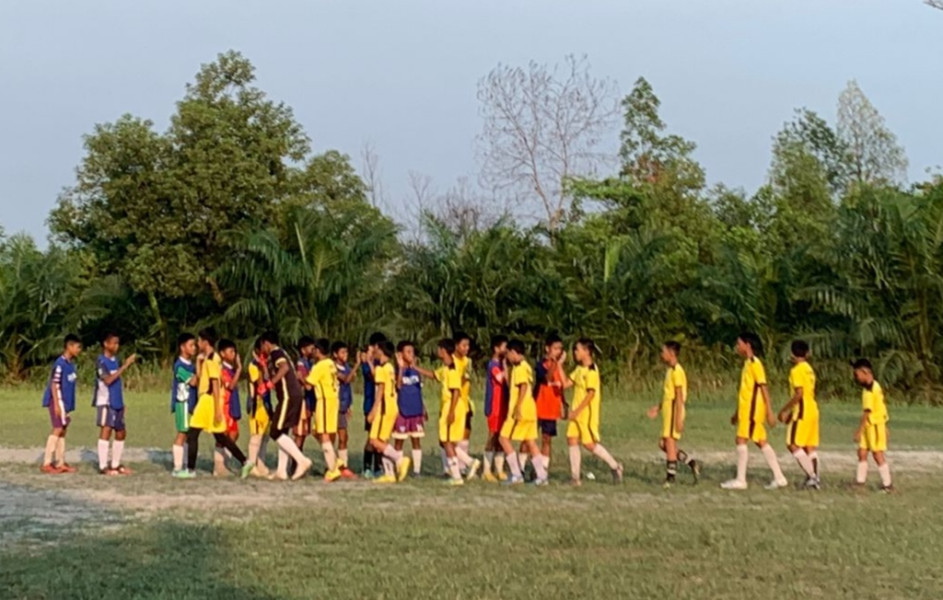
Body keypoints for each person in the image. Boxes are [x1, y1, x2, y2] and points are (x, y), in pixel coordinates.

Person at [721, 332, 787, 491]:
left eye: (739, 343)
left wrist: (769, 411)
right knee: (760, 441)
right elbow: (746, 392)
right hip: (746, 411)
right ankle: (779, 477)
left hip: (752, 411)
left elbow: (763, 388)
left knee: (741, 440)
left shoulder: (755, 364)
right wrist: (737, 413)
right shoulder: (747, 364)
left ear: (747, 345)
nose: (737, 347)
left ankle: (741, 480)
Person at [186, 328, 251, 478]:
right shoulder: (208, 358)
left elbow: (215, 384)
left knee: (192, 434)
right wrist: (198, 362)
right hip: (207, 399)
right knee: (221, 437)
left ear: (205, 342)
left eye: (199, 341)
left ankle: (190, 470)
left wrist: (217, 410)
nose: (197, 344)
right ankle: (245, 461)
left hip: (208, 400)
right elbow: (200, 378)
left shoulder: (212, 360)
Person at [562, 338, 623, 485]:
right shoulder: (579, 369)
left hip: (586, 414)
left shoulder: (592, 371)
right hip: (576, 412)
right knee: (572, 439)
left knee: (589, 444)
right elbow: (565, 384)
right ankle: (575, 477)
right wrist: (558, 364)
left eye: (577, 349)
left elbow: (590, 394)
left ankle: (615, 466)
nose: (575, 352)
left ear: (587, 351)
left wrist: (577, 411)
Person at [260, 331, 313, 480]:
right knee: (283, 432)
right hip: (292, 396)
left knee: (275, 431)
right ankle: (281, 471)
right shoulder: (279, 354)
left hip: (288, 396)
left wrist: (270, 384)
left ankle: (302, 460)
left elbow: (284, 368)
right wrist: (264, 366)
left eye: (262, 346)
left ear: (266, 343)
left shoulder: (276, 353)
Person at [647, 341, 699, 487]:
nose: (661, 354)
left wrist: (678, 418)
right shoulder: (670, 370)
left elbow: (679, 397)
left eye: (663, 351)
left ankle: (670, 478)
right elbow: (668, 395)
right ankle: (691, 463)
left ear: (671, 353)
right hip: (668, 411)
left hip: (674, 412)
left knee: (669, 443)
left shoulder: (677, 371)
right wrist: (658, 408)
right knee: (663, 444)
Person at [498, 339, 547, 486]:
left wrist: (518, 407)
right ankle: (542, 475)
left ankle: (516, 474)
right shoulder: (523, 367)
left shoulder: (520, 368)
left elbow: (523, 386)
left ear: (513, 352)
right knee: (530, 442)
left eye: (508, 354)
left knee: (503, 438)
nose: (507, 357)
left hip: (520, 411)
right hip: (530, 410)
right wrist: (505, 368)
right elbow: (512, 385)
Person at [366, 341, 411, 484]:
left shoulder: (381, 368)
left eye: (377, 349)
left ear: (381, 351)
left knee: (374, 441)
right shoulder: (389, 367)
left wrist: (374, 410)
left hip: (384, 408)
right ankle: (389, 473)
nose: (375, 351)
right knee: (382, 442)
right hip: (392, 406)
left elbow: (380, 390)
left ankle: (400, 459)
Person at [778, 340, 820, 489]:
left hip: (802, 411)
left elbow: (799, 394)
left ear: (792, 354)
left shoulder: (796, 370)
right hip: (813, 409)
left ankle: (813, 476)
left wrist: (785, 410)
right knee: (809, 447)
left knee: (793, 444)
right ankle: (813, 477)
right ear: (807, 353)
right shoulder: (809, 369)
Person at [93, 332, 137, 475]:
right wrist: (125, 366)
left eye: (118, 343)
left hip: (117, 401)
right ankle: (103, 466)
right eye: (113, 343)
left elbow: (117, 382)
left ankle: (115, 464)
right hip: (105, 401)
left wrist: (122, 402)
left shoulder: (115, 360)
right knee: (106, 430)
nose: (116, 346)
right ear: (106, 344)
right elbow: (108, 380)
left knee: (121, 432)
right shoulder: (101, 361)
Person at [40, 334, 82, 474]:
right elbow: (54, 383)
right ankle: (47, 463)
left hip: (65, 402)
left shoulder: (71, 365)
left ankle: (60, 462)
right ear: (69, 346)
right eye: (77, 347)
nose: (79, 350)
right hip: (57, 401)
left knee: (63, 430)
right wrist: (57, 404)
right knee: (57, 428)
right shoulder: (60, 364)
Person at [852, 359, 893, 492]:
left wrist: (859, 430)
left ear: (865, 372)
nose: (856, 377)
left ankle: (888, 485)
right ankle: (860, 482)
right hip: (869, 425)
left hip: (874, 425)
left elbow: (867, 412)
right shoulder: (872, 386)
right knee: (862, 452)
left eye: (857, 374)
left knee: (877, 454)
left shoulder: (871, 390)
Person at [307, 338, 343, 482]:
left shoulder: (319, 366)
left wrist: (300, 377)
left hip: (325, 400)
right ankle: (334, 459)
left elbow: (309, 384)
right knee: (316, 431)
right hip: (333, 399)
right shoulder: (331, 363)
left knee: (324, 433)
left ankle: (332, 469)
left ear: (318, 350)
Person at [393, 341, 428, 477]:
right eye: (408, 352)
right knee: (399, 441)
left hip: (416, 409)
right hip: (402, 410)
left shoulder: (416, 370)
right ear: (400, 354)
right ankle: (398, 469)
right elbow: (398, 386)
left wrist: (423, 407)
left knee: (416, 440)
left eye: (412, 352)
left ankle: (417, 470)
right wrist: (401, 368)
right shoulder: (396, 370)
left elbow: (419, 389)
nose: (411, 354)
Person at [436, 338, 468, 486]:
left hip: (452, 405)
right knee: (446, 441)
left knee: (447, 441)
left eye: (439, 349)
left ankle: (456, 476)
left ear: (443, 351)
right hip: (448, 405)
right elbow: (434, 375)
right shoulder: (445, 368)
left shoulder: (452, 369)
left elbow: (456, 391)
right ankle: (467, 464)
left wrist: (452, 411)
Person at [535, 334, 565, 477]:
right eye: (555, 348)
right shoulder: (541, 364)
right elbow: (547, 377)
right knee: (529, 438)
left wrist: (563, 403)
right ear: (548, 349)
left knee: (547, 439)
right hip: (538, 405)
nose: (558, 352)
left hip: (552, 409)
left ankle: (543, 469)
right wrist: (555, 364)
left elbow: (563, 385)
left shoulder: (559, 367)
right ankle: (522, 467)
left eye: (560, 349)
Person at [242, 338, 272, 478]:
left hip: (266, 404)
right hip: (256, 404)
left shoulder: (266, 365)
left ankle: (261, 463)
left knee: (265, 436)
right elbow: (259, 384)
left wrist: (265, 366)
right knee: (256, 435)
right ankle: (251, 464)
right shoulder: (253, 366)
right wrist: (261, 365)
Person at [170, 333, 198, 478]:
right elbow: (193, 381)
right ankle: (177, 467)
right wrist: (201, 365)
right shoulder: (179, 366)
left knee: (189, 434)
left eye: (195, 345)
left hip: (191, 403)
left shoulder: (191, 365)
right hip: (183, 404)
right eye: (191, 345)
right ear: (182, 347)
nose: (194, 348)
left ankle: (186, 464)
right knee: (182, 433)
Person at [482, 335, 509, 482]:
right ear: (496, 348)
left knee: (501, 437)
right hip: (494, 406)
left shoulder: (502, 365)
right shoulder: (493, 365)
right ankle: (486, 470)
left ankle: (499, 469)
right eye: (504, 347)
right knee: (492, 436)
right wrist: (505, 366)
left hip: (503, 405)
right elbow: (500, 378)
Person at [360, 332, 387, 478]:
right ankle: (366, 467)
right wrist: (368, 361)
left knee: (380, 437)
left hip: (383, 405)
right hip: (371, 403)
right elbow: (373, 377)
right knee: (371, 437)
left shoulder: (382, 363)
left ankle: (378, 466)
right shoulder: (367, 363)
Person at [452, 332, 478, 477]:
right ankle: (452, 466)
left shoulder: (467, 361)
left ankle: (464, 467)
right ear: (456, 346)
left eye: (468, 345)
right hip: (454, 403)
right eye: (464, 345)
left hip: (465, 402)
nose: (466, 348)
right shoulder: (451, 361)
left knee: (465, 434)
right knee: (449, 438)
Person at [332, 341, 359, 478]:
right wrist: (358, 364)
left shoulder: (346, 366)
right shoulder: (332, 367)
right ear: (335, 354)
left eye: (346, 352)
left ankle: (343, 465)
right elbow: (347, 379)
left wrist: (349, 405)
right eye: (342, 352)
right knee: (332, 437)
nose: (345, 355)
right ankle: (332, 465)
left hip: (343, 405)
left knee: (344, 437)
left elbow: (351, 381)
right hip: (334, 406)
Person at [218, 339, 244, 476]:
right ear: (222, 353)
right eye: (230, 351)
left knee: (234, 434)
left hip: (231, 406)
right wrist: (239, 369)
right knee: (225, 436)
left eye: (234, 351)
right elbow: (231, 386)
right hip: (225, 406)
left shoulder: (230, 369)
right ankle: (219, 465)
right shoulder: (222, 370)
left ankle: (224, 462)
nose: (233, 354)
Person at [294, 336, 316, 460]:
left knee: (303, 434)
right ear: (303, 350)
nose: (313, 351)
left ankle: (298, 460)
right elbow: (305, 382)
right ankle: (295, 462)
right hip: (302, 403)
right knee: (299, 434)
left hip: (308, 402)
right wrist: (304, 380)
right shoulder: (301, 363)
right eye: (311, 348)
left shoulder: (311, 363)